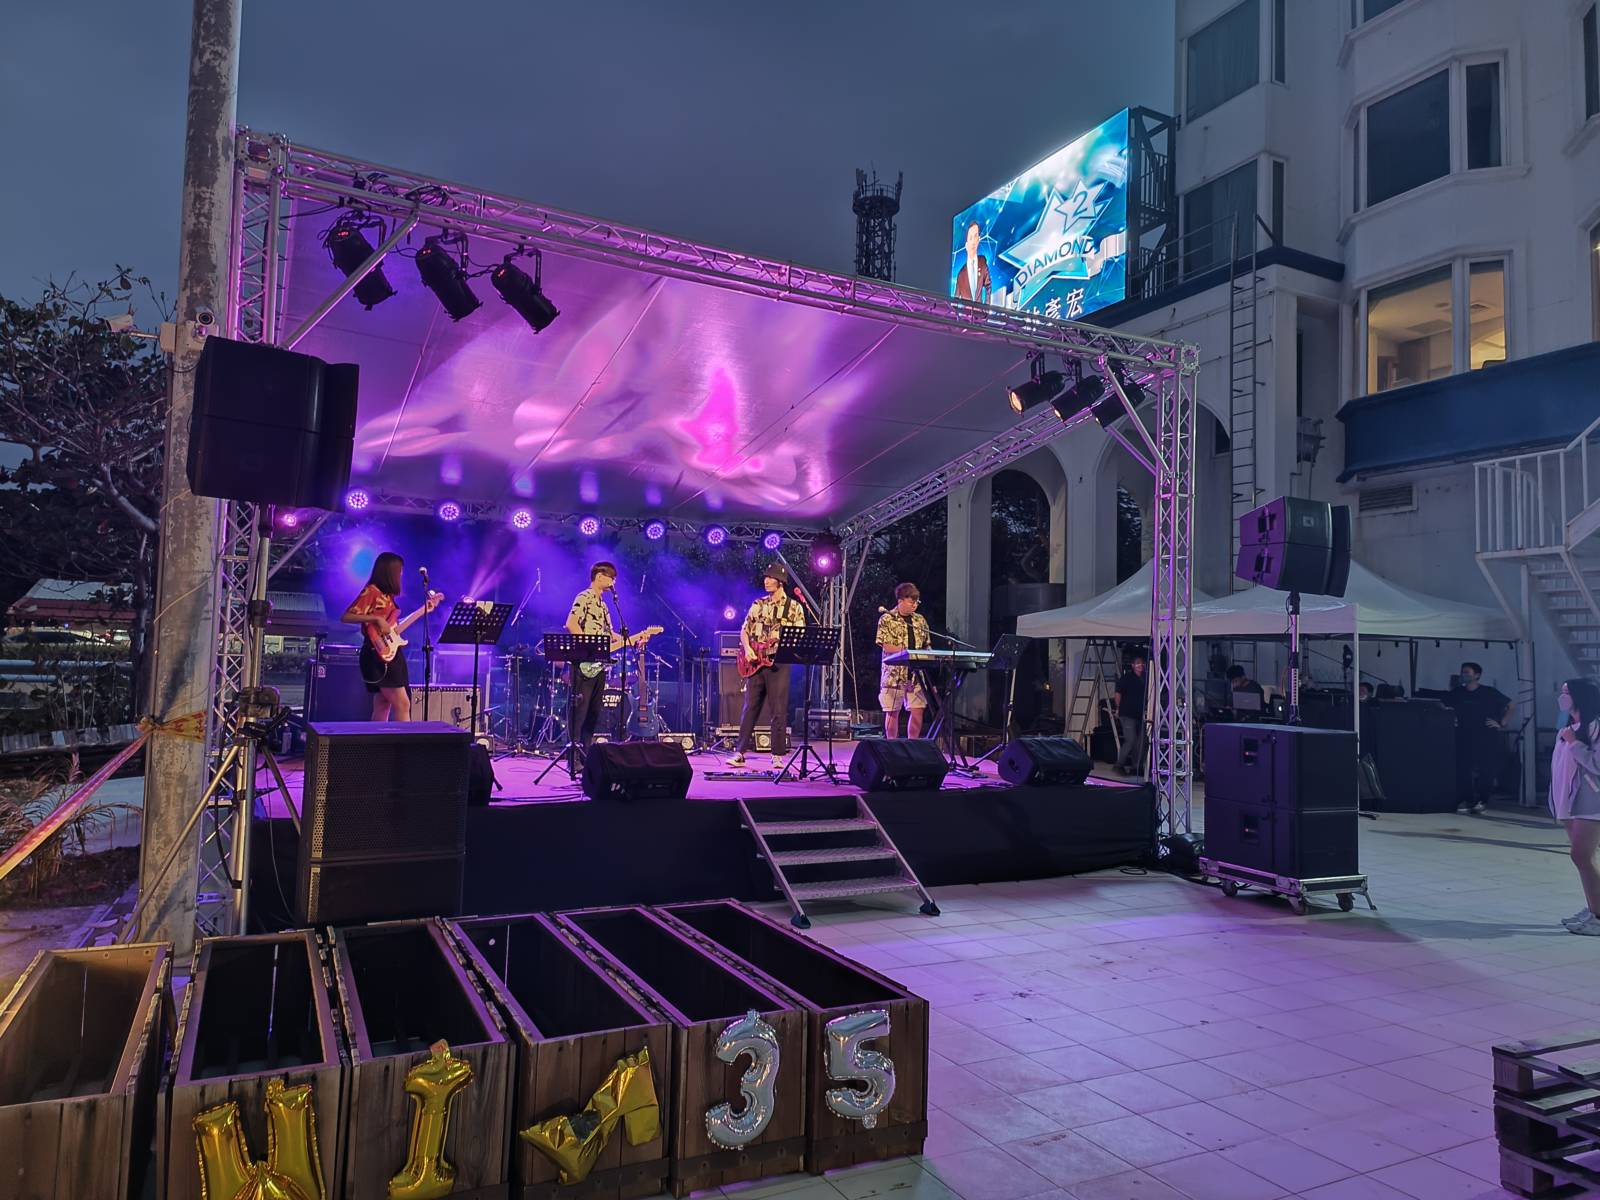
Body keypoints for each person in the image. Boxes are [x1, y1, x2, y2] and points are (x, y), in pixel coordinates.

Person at [343, 552, 441, 722]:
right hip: (376, 653)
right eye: (399, 570)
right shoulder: (371, 591)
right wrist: (375, 619)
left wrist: (424, 609)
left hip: (390, 653)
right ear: (390, 571)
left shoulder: (388, 596)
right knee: (403, 704)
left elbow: (394, 628)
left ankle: (380, 739)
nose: (401, 574)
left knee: (383, 704)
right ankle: (402, 739)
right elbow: (347, 616)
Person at [730, 563, 805, 769]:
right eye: (765, 577)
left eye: (770, 577)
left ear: (780, 581)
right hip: (755, 662)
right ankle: (739, 752)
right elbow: (744, 630)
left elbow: (798, 637)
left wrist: (787, 646)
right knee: (749, 708)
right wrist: (748, 649)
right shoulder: (758, 604)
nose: (766, 581)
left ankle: (777, 755)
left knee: (778, 710)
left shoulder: (794, 608)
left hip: (778, 663)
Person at [1553, 679, 1600, 934]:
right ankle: (1593, 907)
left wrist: (1574, 743)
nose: (1562, 697)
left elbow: (1597, 764)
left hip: (1591, 803)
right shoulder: (1568, 728)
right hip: (1570, 804)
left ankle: (1598, 914)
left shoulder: (1594, 728)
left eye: (1566, 692)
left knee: (1580, 855)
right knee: (1584, 858)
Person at [566, 562, 628, 755]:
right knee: (580, 712)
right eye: (612, 578)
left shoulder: (604, 605)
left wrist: (633, 640)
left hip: (599, 666)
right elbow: (571, 623)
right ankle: (574, 757)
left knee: (593, 714)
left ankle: (586, 756)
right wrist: (587, 647)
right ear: (600, 576)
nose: (613, 582)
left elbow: (611, 635)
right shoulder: (584, 597)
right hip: (583, 665)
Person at [1448, 661, 1513, 815]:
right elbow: (1446, 704)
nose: (1464, 675)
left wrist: (1501, 722)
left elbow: (1511, 705)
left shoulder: (1489, 692)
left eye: (1467, 672)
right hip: (1464, 736)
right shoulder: (1458, 693)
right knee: (1463, 770)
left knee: (1486, 770)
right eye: (1462, 672)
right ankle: (1466, 799)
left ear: (1477, 675)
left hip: (1486, 737)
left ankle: (1482, 800)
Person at [875, 583, 931, 738]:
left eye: (916, 602)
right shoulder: (887, 619)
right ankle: (892, 746)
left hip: (916, 674)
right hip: (894, 674)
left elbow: (927, 644)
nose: (914, 605)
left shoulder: (920, 620)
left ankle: (912, 745)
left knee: (918, 709)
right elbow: (885, 645)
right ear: (900, 600)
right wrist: (905, 652)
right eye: (911, 602)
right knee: (892, 712)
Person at [1112, 653, 1147, 775]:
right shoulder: (1126, 678)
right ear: (1132, 665)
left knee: (1141, 741)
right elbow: (1118, 694)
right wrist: (1118, 708)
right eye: (1137, 663)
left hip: (1141, 714)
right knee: (1130, 740)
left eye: (1142, 663)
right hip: (1127, 713)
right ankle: (1119, 764)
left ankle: (1136, 766)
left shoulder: (1146, 678)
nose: (1140, 665)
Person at [954, 220, 991, 303]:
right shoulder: (961, 274)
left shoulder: (982, 263)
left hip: (981, 310)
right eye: (970, 238)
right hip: (966, 311)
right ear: (966, 245)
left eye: (975, 236)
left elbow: (988, 286)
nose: (973, 242)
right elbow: (955, 300)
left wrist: (987, 306)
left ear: (978, 239)